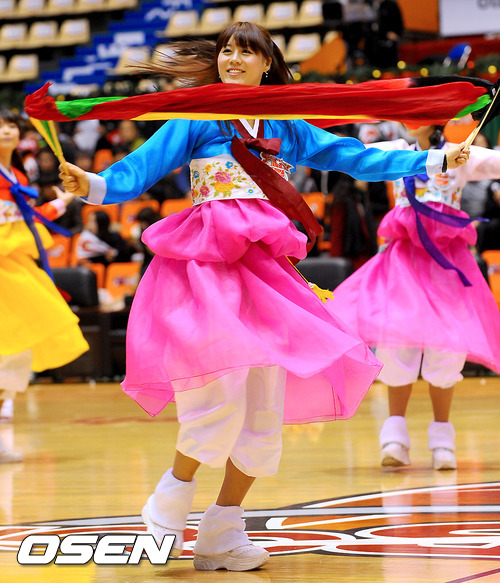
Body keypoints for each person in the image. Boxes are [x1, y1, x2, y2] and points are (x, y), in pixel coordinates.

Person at [59, 22, 469, 571]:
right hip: (208, 267)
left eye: (246, 52)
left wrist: (433, 161)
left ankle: (223, 529)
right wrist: (91, 184)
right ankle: (166, 507)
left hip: (267, 273)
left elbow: (351, 156)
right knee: (217, 397)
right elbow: (139, 169)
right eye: (227, 50)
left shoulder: (283, 123)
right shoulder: (199, 117)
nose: (233, 59)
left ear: (267, 64)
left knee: (263, 410)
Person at [332, 123, 500, 471]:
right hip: (403, 266)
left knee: (447, 350)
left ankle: (442, 440)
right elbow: (351, 157)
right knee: (397, 346)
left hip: (446, 268)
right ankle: (394, 437)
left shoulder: (461, 153)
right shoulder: (395, 150)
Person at [0, 109, 89, 461]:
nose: (6, 131)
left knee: (17, 347)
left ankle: (4, 416)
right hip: (5, 262)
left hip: (15, 261)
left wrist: (61, 202)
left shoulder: (18, 174)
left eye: (11, 126)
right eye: (0, 127)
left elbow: (27, 219)